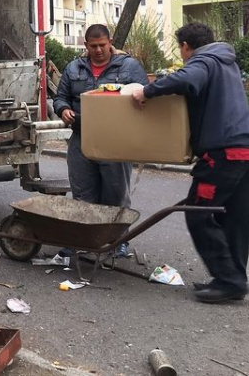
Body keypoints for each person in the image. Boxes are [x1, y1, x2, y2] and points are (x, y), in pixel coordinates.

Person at [131, 22, 249, 303]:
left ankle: (230, 280)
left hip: (222, 155)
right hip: (243, 150)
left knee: (197, 212)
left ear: (185, 46)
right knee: (234, 218)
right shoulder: (226, 62)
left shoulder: (204, 61)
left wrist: (146, 92)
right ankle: (233, 279)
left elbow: (186, 79)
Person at [53, 24, 148, 258]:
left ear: (110, 42)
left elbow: (147, 96)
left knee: (115, 194)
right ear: (85, 46)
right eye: (93, 46)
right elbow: (60, 98)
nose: (98, 50)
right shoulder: (73, 68)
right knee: (83, 194)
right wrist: (63, 109)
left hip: (115, 140)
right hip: (82, 138)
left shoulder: (129, 67)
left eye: (102, 45)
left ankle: (118, 241)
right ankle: (84, 238)